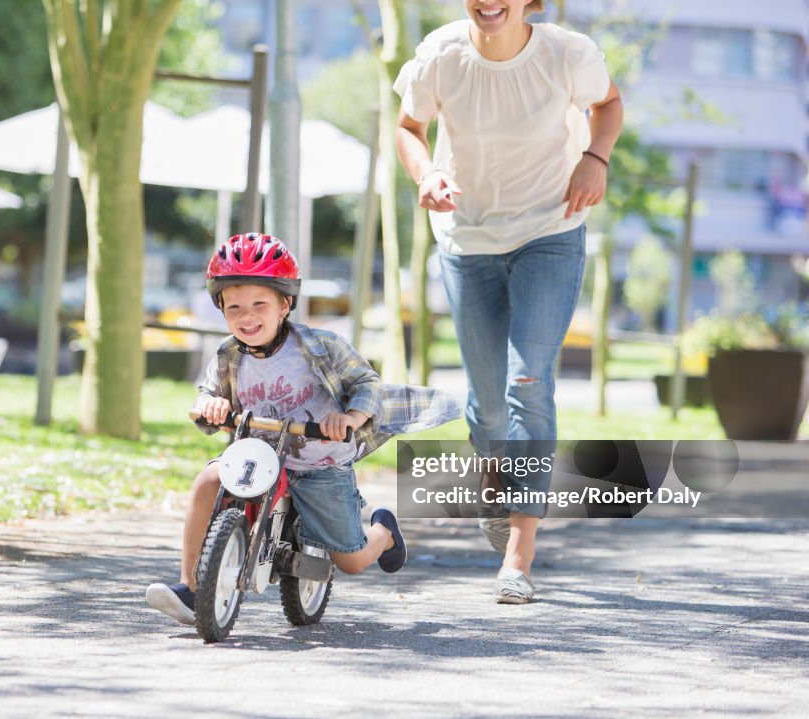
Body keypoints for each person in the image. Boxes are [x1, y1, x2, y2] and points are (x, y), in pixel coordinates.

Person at [394, 0, 624, 603]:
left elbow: (609, 103)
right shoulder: (441, 56)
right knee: (488, 404)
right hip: (467, 240)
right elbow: (408, 128)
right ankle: (497, 474)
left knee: (529, 382)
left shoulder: (566, 54)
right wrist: (426, 175)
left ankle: (519, 558)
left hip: (550, 230)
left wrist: (594, 158)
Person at [146, 233, 460, 625]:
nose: (247, 316)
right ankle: (191, 588)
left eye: (260, 304)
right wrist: (211, 405)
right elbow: (208, 393)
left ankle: (384, 532)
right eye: (234, 307)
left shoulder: (322, 347)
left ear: (285, 304)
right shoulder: (228, 353)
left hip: (320, 462)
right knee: (208, 480)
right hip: (257, 455)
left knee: (352, 560)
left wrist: (347, 419)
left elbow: (367, 385)